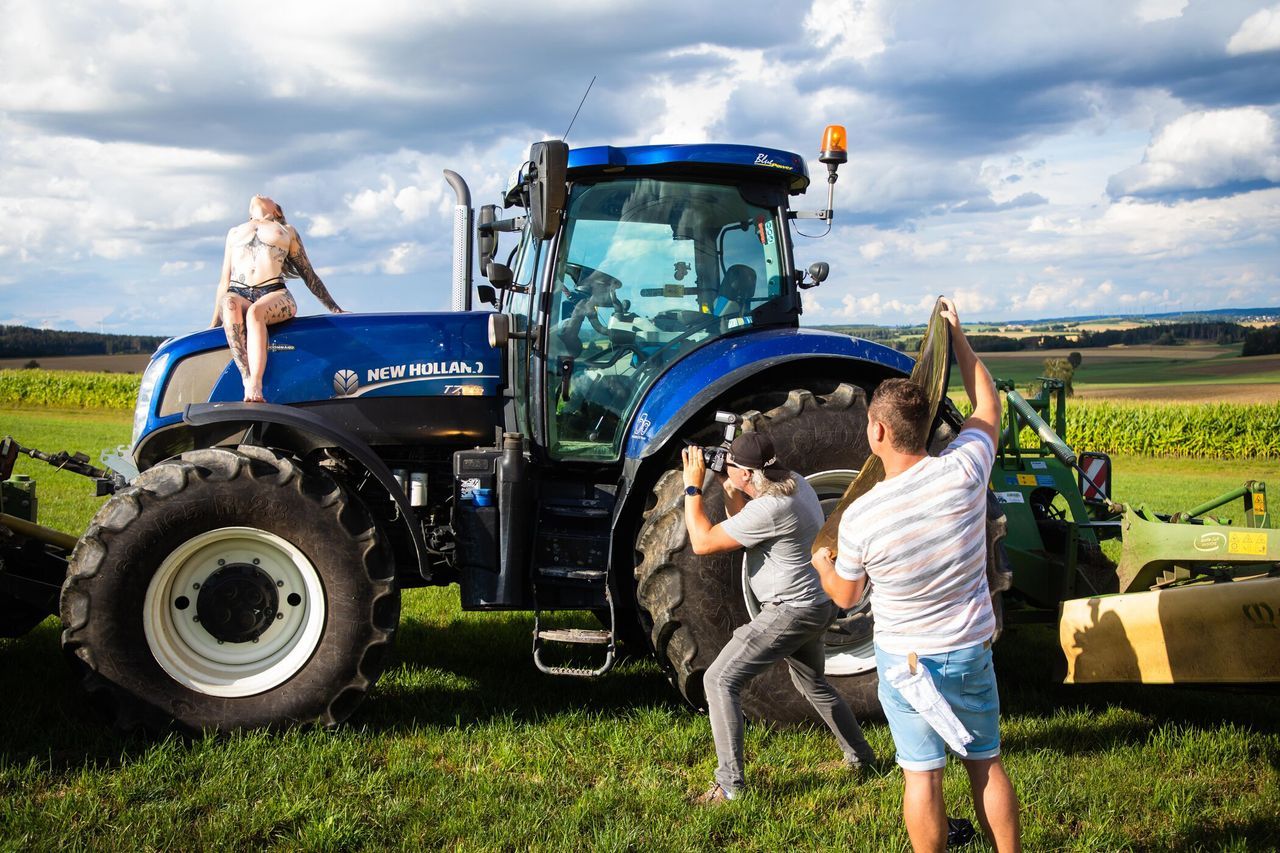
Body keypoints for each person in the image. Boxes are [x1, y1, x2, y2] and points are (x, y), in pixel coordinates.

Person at [812, 297, 1021, 852]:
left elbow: (847, 595)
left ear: (877, 433)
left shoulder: (861, 517)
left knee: (922, 777)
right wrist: (957, 337)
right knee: (986, 764)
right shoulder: (968, 469)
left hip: (906, 661)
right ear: (924, 426)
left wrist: (822, 565)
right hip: (970, 647)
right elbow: (988, 402)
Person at [681, 431, 877, 805]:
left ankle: (729, 787)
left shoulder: (772, 509)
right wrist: (728, 484)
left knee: (719, 680)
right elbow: (745, 523)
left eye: (732, 467)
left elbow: (702, 542)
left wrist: (693, 488)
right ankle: (861, 757)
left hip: (790, 611)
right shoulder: (795, 483)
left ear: (746, 474)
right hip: (816, 604)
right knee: (813, 683)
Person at [209, 195, 344, 402]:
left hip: (273, 292)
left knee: (255, 313)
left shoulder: (286, 230)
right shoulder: (234, 232)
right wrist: (213, 325)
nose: (262, 195)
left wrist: (334, 308)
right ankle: (245, 378)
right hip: (239, 293)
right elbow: (224, 281)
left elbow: (308, 273)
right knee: (228, 302)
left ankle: (256, 382)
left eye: (269, 197)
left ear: (277, 211)